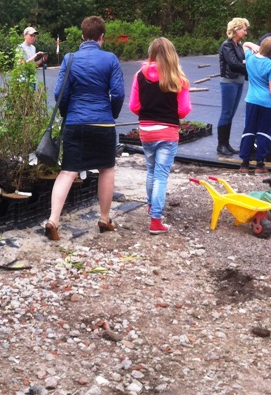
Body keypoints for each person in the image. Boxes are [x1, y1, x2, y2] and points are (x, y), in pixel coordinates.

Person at [44, 15, 124, 241]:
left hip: (75, 122)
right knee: (106, 169)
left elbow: (60, 93)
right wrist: (112, 114)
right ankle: (104, 218)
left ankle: (53, 220)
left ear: (82, 36)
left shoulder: (69, 59)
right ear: (102, 37)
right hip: (103, 122)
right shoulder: (110, 59)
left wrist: (67, 113)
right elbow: (117, 93)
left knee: (68, 171)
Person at [129, 38, 191, 234]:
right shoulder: (178, 78)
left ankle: (150, 206)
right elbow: (183, 110)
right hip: (168, 131)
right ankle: (156, 220)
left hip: (146, 131)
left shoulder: (140, 75)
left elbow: (133, 106)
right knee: (161, 175)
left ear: (151, 53)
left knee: (151, 170)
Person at [238, 36, 271, 173]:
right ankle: (260, 164)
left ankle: (244, 163)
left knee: (249, 130)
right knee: (263, 133)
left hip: (251, 100)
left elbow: (245, 45)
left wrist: (252, 45)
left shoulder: (250, 58)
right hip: (266, 103)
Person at [216, 17, 249, 155]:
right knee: (226, 113)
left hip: (238, 81)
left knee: (231, 114)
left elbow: (241, 61)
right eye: (243, 29)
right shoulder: (227, 45)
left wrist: (245, 63)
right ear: (236, 30)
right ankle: (221, 145)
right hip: (229, 82)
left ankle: (226, 144)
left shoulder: (238, 45)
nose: (246, 32)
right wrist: (247, 66)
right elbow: (234, 64)